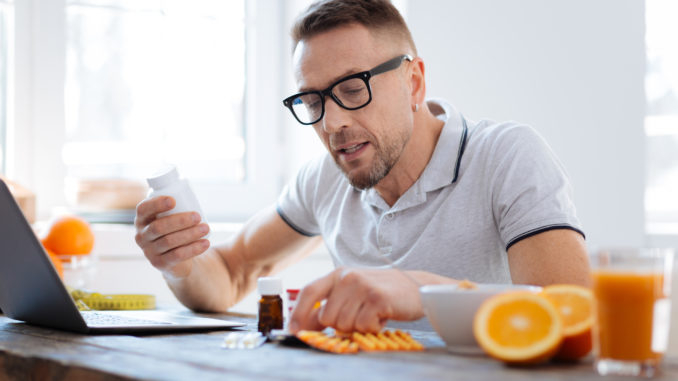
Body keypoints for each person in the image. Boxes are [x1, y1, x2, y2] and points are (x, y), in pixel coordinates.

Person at [134, 0, 590, 334]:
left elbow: (572, 315)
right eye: (312, 100)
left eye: (353, 89)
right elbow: (232, 273)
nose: (333, 123)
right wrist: (179, 261)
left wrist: (422, 293)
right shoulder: (324, 179)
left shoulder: (506, 157)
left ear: (413, 82)